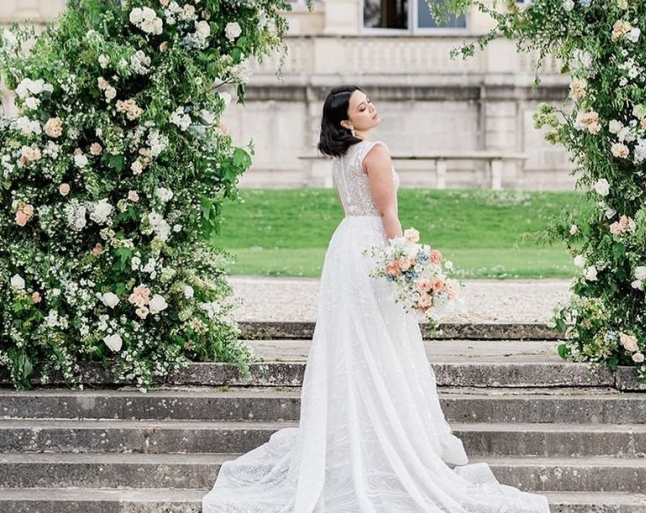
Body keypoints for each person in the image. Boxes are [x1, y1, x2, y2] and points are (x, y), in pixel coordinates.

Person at [202, 85, 550, 512]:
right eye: (362, 107)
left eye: (369, 103)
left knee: (354, 340)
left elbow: (349, 205)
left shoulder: (342, 157)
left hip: (346, 245)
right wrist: (405, 262)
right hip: (372, 248)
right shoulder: (374, 151)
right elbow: (388, 212)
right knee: (382, 339)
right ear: (348, 122)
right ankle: (387, 436)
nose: (372, 108)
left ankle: (361, 428)